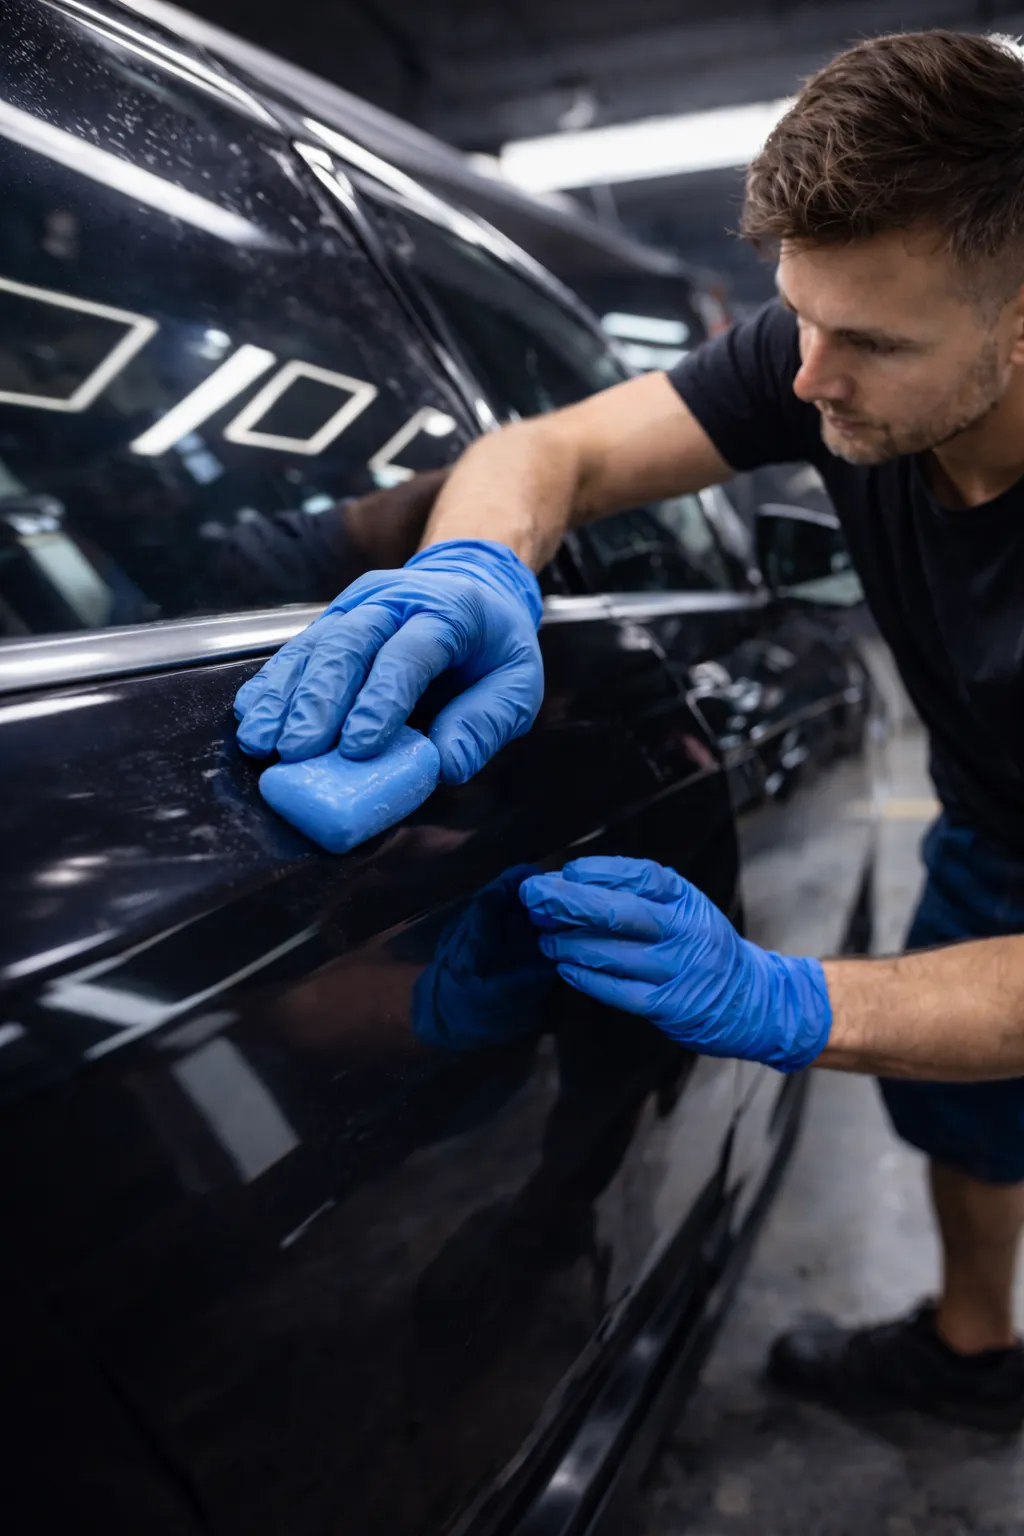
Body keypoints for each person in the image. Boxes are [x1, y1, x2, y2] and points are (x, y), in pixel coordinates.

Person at [235, 30, 1024, 1430]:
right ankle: (974, 1352)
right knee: (962, 1113)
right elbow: (558, 450)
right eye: (801, 316)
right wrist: (472, 568)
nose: (807, 377)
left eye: (872, 345)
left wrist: (798, 1003)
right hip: (991, 810)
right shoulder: (830, 347)